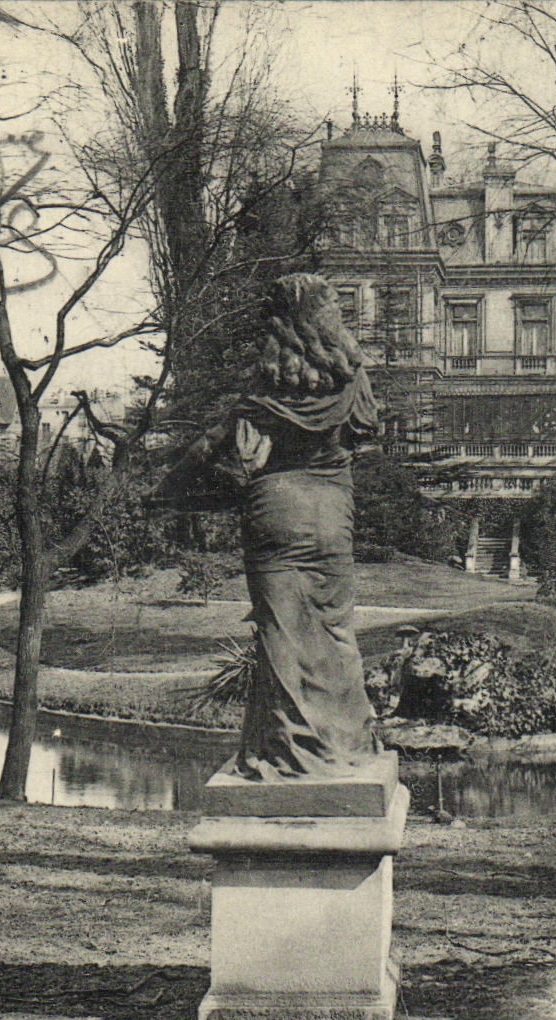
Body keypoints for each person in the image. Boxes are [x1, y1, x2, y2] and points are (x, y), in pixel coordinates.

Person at [155, 274, 382, 780]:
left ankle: (289, 756)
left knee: (281, 642)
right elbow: (365, 439)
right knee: (336, 631)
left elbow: (199, 455)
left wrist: (174, 488)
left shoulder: (266, 386)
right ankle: (348, 748)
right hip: (332, 518)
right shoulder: (354, 380)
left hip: (274, 516)